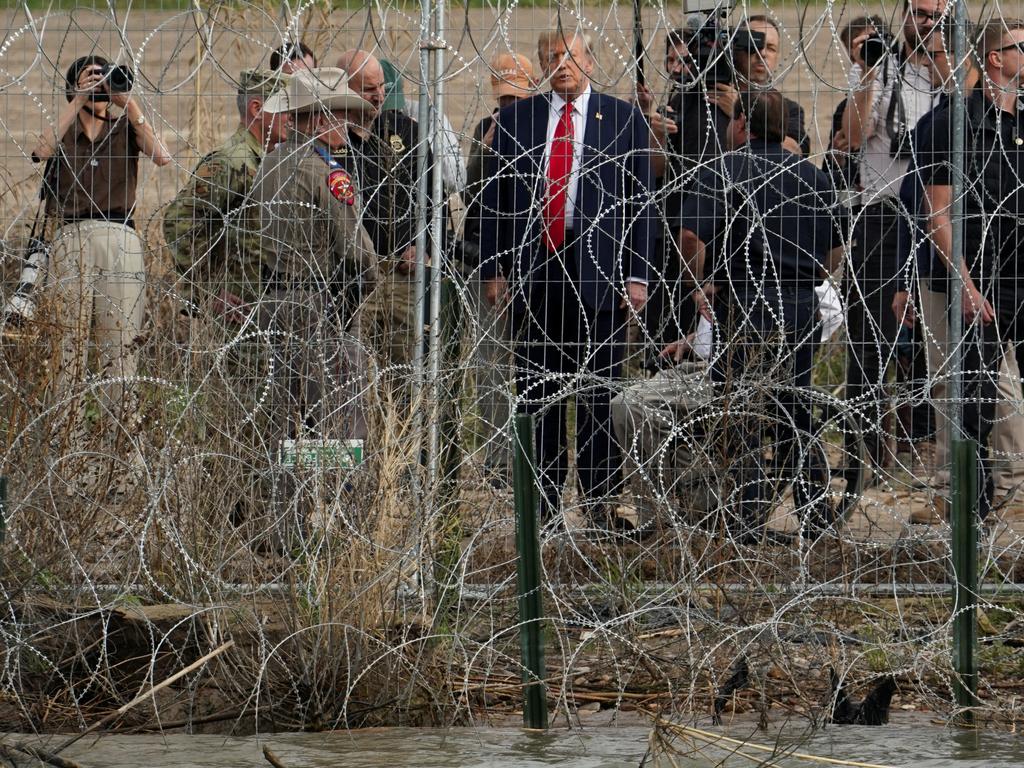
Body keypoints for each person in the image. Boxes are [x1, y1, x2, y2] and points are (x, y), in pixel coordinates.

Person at [479, 29, 654, 528]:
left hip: (598, 265)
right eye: (551, 57)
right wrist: (494, 268)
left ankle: (599, 502)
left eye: (570, 57)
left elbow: (641, 202)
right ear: (541, 64)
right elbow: (495, 202)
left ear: (590, 62)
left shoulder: (622, 120)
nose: (562, 65)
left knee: (599, 389)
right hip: (538, 265)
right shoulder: (517, 119)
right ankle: (543, 505)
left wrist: (637, 275)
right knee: (539, 389)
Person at [677, 89, 845, 543]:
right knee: (795, 406)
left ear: (742, 125)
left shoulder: (725, 170)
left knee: (741, 412)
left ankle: (747, 517)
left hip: (744, 303)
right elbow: (833, 251)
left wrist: (697, 283)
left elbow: (691, 234)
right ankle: (813, 510)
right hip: (800, 304)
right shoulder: (813, 176)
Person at [31, 55, 170, 491]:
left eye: (104, 78)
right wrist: (76, 102)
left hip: (119, 235)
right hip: (70, 237)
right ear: (73, 86)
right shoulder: (66, 128)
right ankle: (66, 468)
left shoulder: (125, 126)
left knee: (120, 353)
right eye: (92, 79)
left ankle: (121, 467)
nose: (99, 87)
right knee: (66, 353)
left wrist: (127, 102)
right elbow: (39, 151)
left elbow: (162, 156)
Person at [919, 18, 1024, 521]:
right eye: (1021, 47)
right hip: (979, 282)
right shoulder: (955, 121)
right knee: (975, 405)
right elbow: (937, 209)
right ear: (995, 59)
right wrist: (964, 283)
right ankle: (972, 516)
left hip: (1020, 275)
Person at [841, 0, 943, 480]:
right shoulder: (881, 70)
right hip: (880, 213)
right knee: (868, 330)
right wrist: (870, 70)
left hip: (933, 213)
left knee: (928, 333)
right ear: (903, 13)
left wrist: (940, 50)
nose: (925, 22)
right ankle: (863, 444)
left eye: (935, 14)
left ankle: (923, 439)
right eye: (919, 12)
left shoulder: (949, 69)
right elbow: (855, 135)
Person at [251, 68, 376, 450]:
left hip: (273, 302)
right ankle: (334, 501)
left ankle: (290, 502)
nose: (348, 123)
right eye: (341, 114)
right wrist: (355, 302)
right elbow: (360, 255)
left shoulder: (270, 163)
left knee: (287, 418)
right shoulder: (326, 174)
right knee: (337, 419)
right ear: (321, 118)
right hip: (320, 306)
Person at [463, 51, 536, 486]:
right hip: (485, 264)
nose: (509, 108)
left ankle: (532, 453)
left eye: (516, 100)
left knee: (533, 363)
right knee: (491, 366)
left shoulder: (542, 133)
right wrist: (486, 152)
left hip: (530, 265)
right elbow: (473, 196)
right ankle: (496, 461)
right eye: (503, 100)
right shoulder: (484, 132)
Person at [163, 68, 288, 319]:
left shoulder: (268, 159)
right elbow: (178, 221)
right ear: (257, 109)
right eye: (285, 109)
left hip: (266, 303)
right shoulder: (231, 161)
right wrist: (209, 290)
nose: (292, 117)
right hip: (238, 309)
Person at [710, 15, 809, 156]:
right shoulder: (708, 99)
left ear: (777, 57)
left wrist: (740, 111)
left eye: (770, 48)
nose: (762, 53)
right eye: (754, 44)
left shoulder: (787, 109)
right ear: (735, 50)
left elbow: (795, 152)